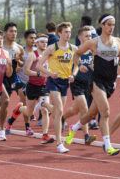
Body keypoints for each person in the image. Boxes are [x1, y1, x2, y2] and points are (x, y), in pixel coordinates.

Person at [65, 14, 120, 156]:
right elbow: (77, 54)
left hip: (111, 82)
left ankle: (73, 128)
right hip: (96, 81)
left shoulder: (119, 42)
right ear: (102, 25)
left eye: (113, 25)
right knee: (105, 112)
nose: (111, 27)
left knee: (91, 114)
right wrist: (79, 65)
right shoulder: (93, 42)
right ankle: (107, 146)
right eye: (109, 24)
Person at [36, 22, 78, 153]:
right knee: (59, 111)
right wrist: (50, 74)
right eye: (65, 32)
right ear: (59, 33)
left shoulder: (74, 49)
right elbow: (39, 66)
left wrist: (73, 74)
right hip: (53, 81)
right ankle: (59, 142)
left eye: (69, 32)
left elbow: (76, 65)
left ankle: (44, 103)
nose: (68, 35)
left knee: (58, 113)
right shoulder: (52, 48)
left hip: (65, 82)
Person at [0, 22, 24, 141]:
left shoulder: (18, 48)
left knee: (2, 106)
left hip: (10, 77)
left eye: (15, 31)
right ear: (5, 33)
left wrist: (18, 62)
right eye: (11, 31)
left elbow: (21, 65)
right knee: (3, 101)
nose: (13, 34)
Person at [61, 27, 97, 145]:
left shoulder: (93, 51)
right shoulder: (75, 50)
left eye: (90, 36)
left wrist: (94, 67)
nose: (89, 38)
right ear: (80, 38)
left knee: (76, 110)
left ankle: (62, 118)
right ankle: (86, 136)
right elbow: (66, 63)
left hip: (89, 84)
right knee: (85, 109)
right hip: (77, 83)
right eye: (86, 36)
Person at [23, 33, 55, 144]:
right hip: (32, 86)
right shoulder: (33, 55)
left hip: (44, 87)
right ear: (37, 43)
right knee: (28, 112)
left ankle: (45, 135)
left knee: (45, 110)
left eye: (46, 42)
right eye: (42, 42)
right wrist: (38, 74)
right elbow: (26, 71)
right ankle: (18, 109)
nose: (45, 44)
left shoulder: (49, 55)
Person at [5, 28, 37, 134]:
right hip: (19, 79)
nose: (33, 40)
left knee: (27, 106)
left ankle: (11, 120)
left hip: (32, 81)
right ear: (25, 39)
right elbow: (17, 65)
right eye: (31, 38)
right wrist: (18, 66)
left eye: (34, 38)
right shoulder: (20, 50)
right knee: (25, 103)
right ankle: (28, 127)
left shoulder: (38, 52)